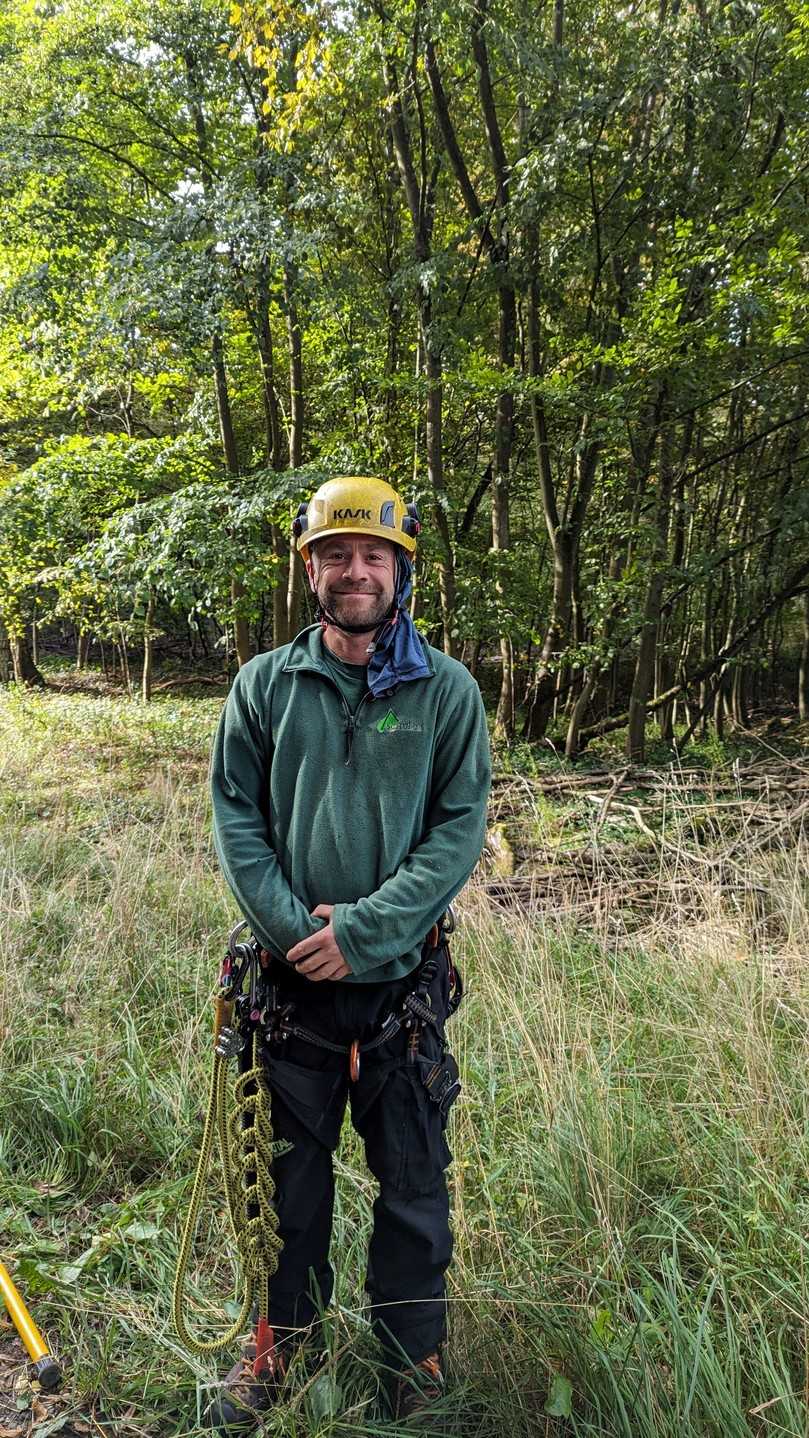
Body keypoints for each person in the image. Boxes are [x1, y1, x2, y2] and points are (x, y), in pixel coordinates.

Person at [208, 475, 490, 1431]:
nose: (355, 571)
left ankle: (414, 1365)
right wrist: (295, 931)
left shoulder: (446, 692)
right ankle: (279, 1352)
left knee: (412, 1190)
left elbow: (455, 832)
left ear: (401, 569)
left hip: (399, 994)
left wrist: (363, 932)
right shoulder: (264, 686)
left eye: (373, 555)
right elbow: (235, 821)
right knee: (285, 1188)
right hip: (288, 993)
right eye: (336, 555)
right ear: (311, 570)